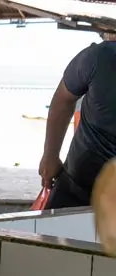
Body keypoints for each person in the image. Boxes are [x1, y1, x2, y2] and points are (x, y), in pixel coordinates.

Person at [38, 37, 116, 209]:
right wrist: (50, 155)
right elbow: (63, 99)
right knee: (47, 233)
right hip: (78, 182)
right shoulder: (99, 57)